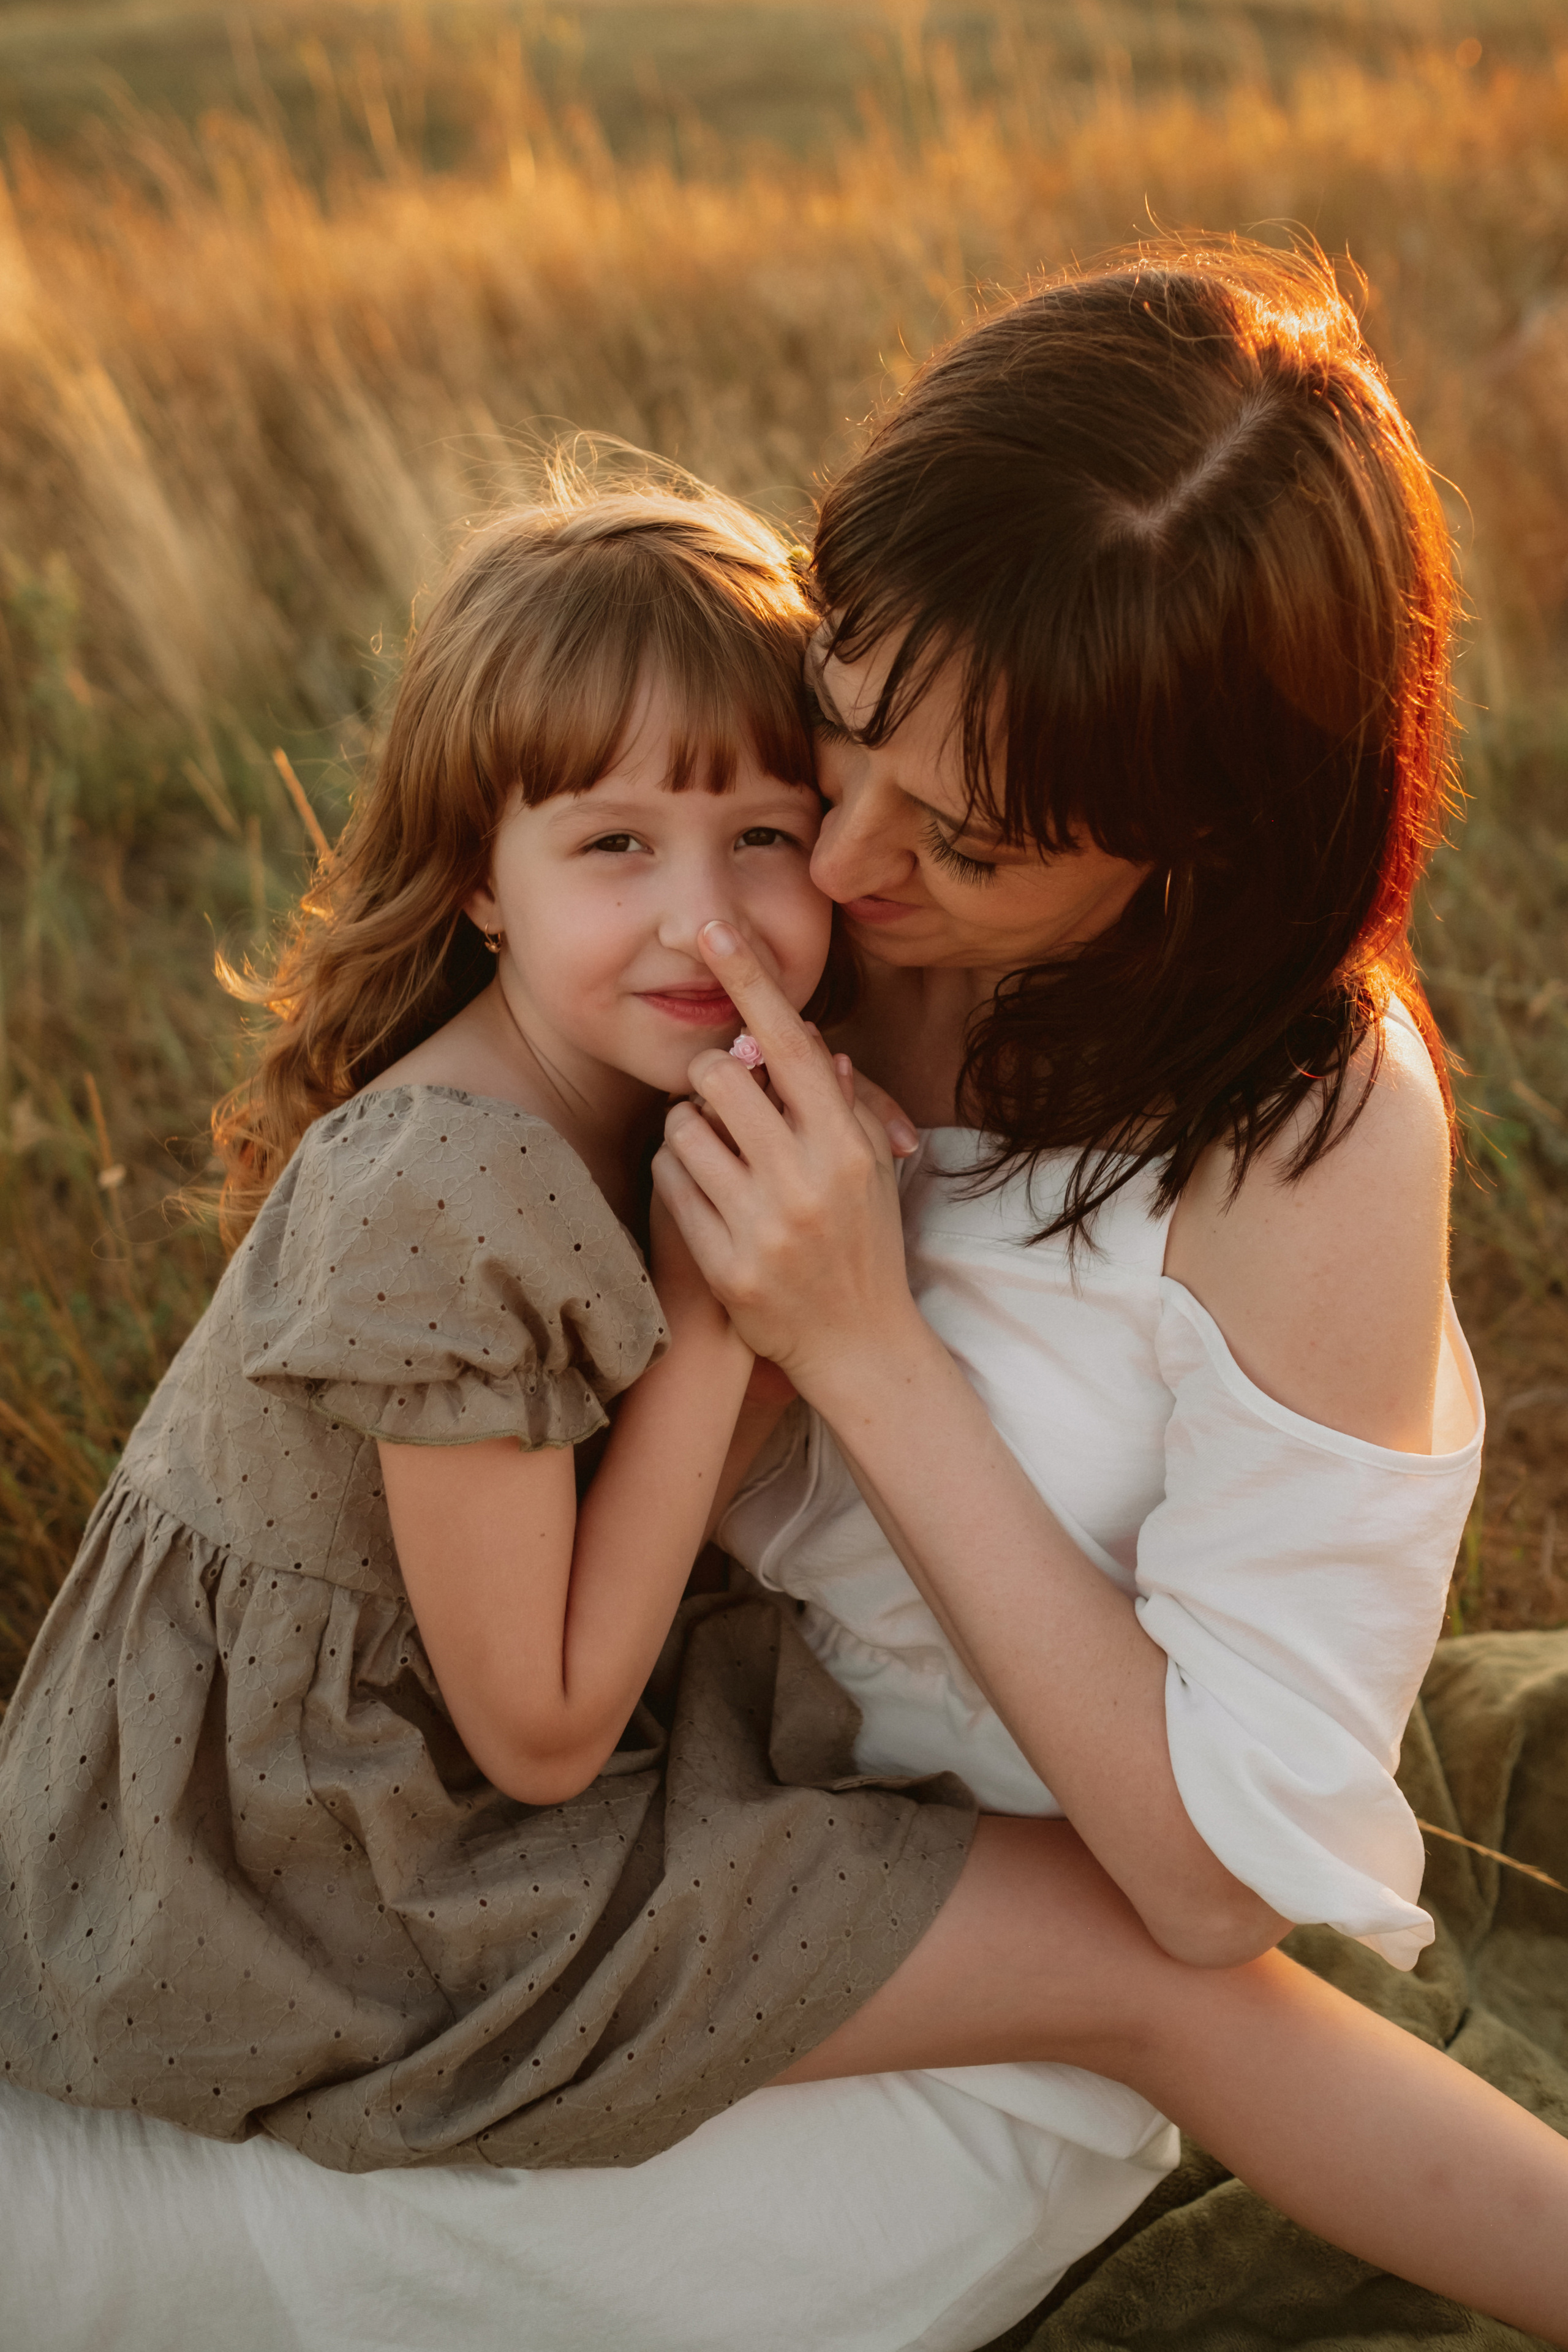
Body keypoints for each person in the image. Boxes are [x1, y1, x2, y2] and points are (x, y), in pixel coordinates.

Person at [1, 260, 1565, 2350]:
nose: (829, 864)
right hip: (622, 1807)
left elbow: (1198, 1913)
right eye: (841, 731)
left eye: (971, 841)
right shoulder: (695, 930)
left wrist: (852, 1339)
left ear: (1191, 846)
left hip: (959, 1943)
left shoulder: (1309, 1127)